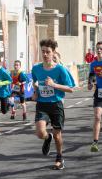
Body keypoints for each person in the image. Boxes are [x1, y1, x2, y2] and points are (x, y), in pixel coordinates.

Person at [32, 39, 74, 170]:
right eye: (43, 51)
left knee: (57, 135)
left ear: (53, 52)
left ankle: (59, 158)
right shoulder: (36, 68)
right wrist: (36, 92)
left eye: (47, 52)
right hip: (42, 104)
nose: (45, 54)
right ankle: (47, 137)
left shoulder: (60, 69)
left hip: (56, 104)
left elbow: (70, 88)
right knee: (39, 132)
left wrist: (54, 85)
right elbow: (36, 82)